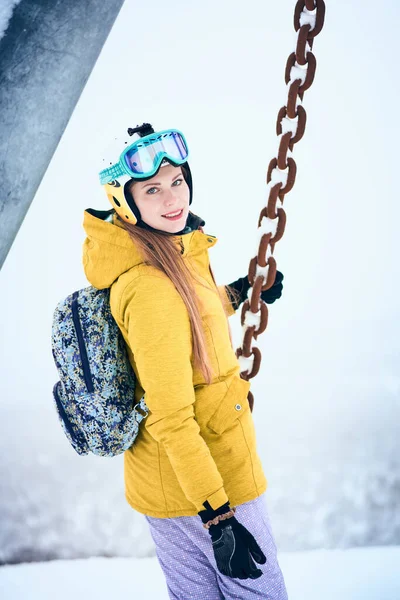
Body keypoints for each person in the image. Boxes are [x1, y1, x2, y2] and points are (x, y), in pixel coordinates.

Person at [82, 123, 288, 599]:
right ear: (124, 202)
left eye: (177, 181)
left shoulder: (158, 255)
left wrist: (234, 294)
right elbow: (172, 416)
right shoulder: (151, 285)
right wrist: (218, 517)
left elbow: (185, 319)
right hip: (210, 482)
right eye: (151, 189)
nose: (172, 198)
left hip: (165, 484)